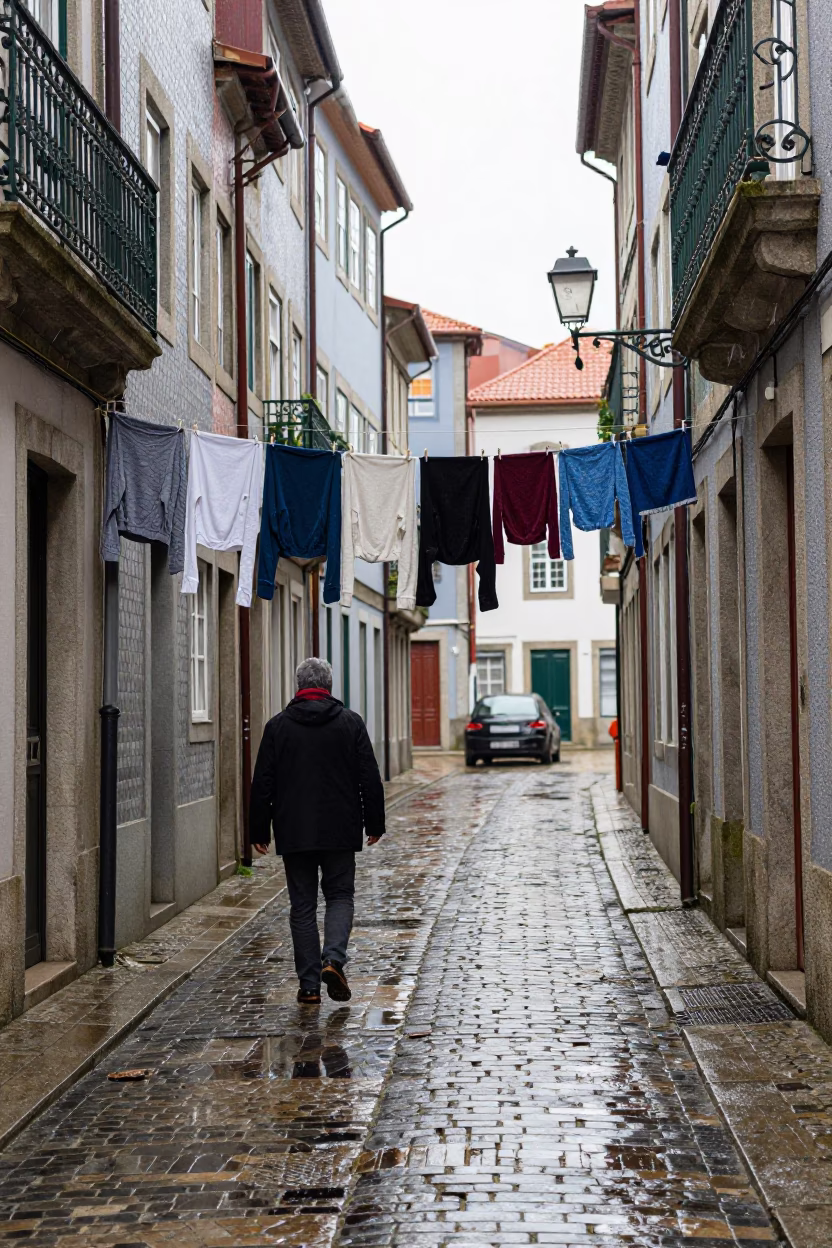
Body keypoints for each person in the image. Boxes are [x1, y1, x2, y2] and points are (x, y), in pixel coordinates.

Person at [250, 656, 386, 1005]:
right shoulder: (350, 723)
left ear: (299, 685)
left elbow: (262, 782)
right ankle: (334, 960)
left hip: (294, 830)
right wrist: (374, 823)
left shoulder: (277, 726)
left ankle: (309, 986)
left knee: (302, 906)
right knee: (340, 896)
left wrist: (258, 829)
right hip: (340, 828)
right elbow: (368, 776)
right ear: (328, 685)